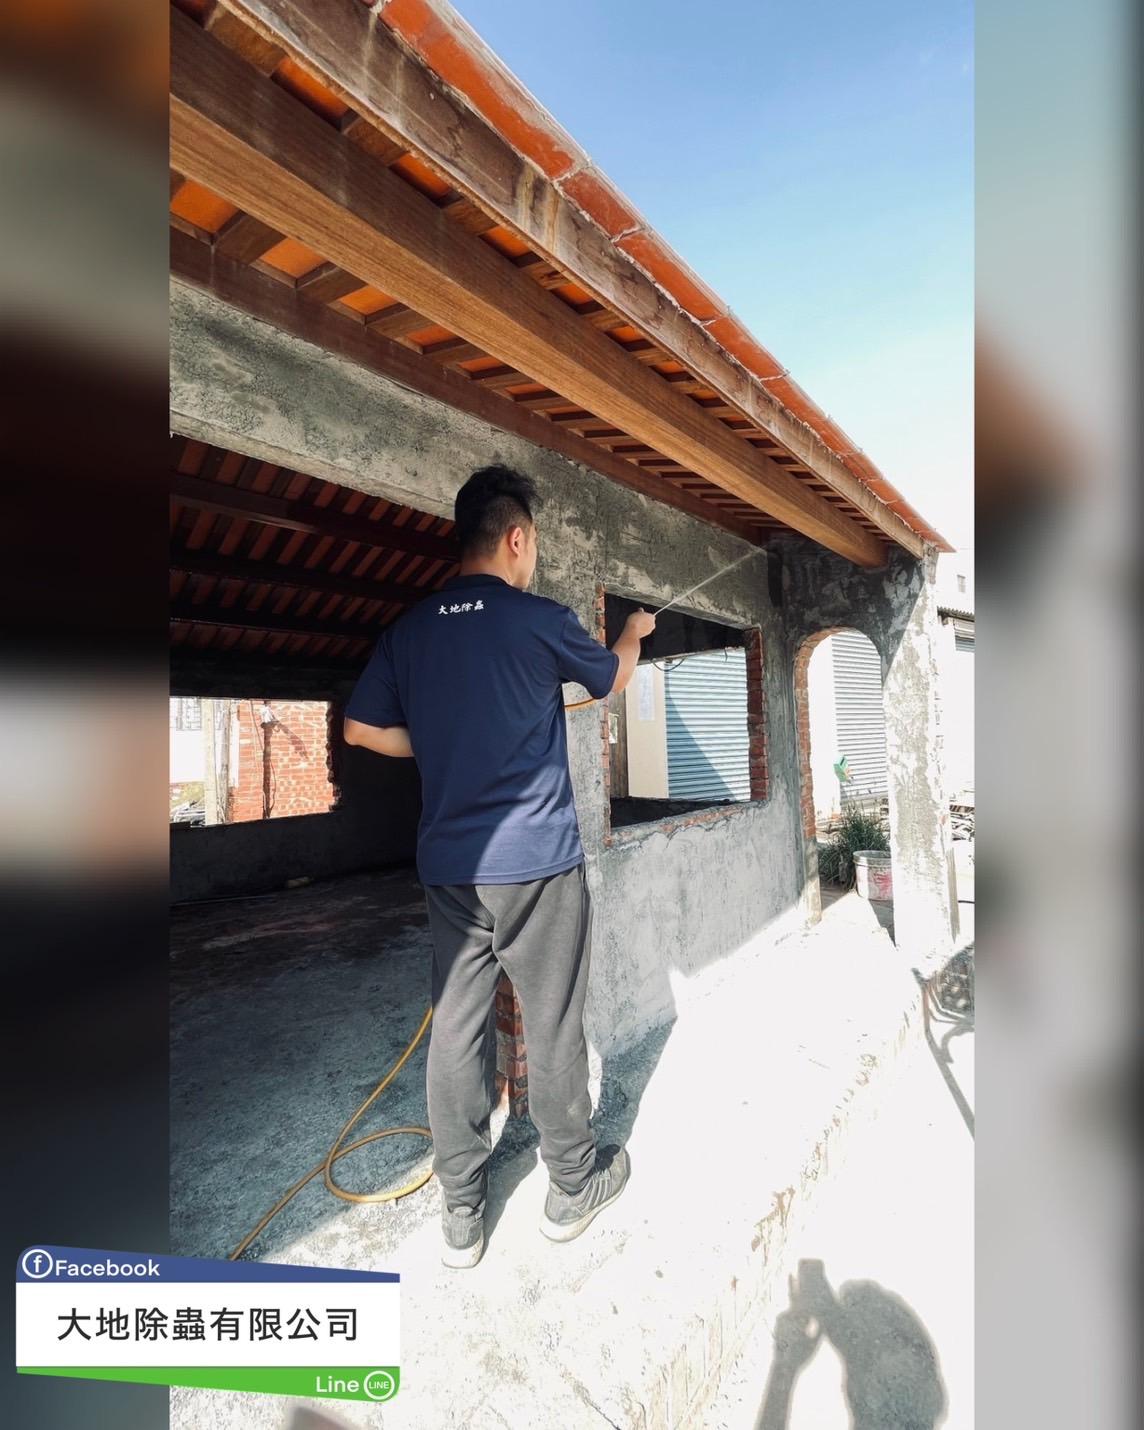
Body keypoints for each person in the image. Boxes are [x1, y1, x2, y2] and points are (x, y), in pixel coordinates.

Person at [343, 465, 656, 1268]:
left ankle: (461, 1213)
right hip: (538, 864)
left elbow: (359, 730)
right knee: (550, 1022)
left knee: (457, 1027)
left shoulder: (410, 632)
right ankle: (572, 1185)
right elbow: (610, 680)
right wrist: (632, 633)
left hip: (451, 871)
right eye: (534, 544)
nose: (533, 556)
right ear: (516, 538)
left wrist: (436, 745)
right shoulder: (538, 619)